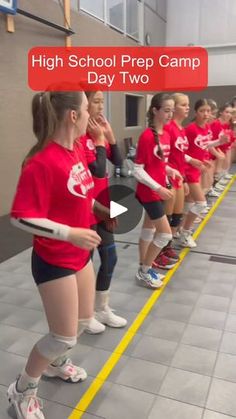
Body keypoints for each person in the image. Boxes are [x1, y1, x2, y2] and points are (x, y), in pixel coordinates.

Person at [7, 90, 102, 419]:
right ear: (73, 115)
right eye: (88, 109)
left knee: (83, 320)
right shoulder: (41, 162)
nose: (91, 114)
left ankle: (56, 363)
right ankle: (23, 389)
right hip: (54, 258)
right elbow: (20, 216)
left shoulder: (75, 149)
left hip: (79, 254)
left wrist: (100, 209)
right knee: (62, 335)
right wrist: (69, 233)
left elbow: (79, 192)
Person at [80, 90, 127, 334]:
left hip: (102, 207)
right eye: (96, 101)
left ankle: (101, 308)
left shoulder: (96, 134)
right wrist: (99, 140)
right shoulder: (79, 138)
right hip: (85, 210)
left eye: (101, 101)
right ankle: (84, 314)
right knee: (85, 267)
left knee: (110, 257)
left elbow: (117, 161)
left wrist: (110, 137)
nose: (101, 106)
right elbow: (98, 170)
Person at [134, 93, 182, 288]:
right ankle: (144, 271)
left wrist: (172, 170)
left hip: (158, 190)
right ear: (155, 110)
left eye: (172, 110)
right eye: (166, 110)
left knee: (148, 231)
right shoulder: (147, 136)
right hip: (149, 193)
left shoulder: (167, 134)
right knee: (164, 235)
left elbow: (160, 164)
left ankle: (143, 266)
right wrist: (158, 187)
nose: (170, 114)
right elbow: (137, 170)